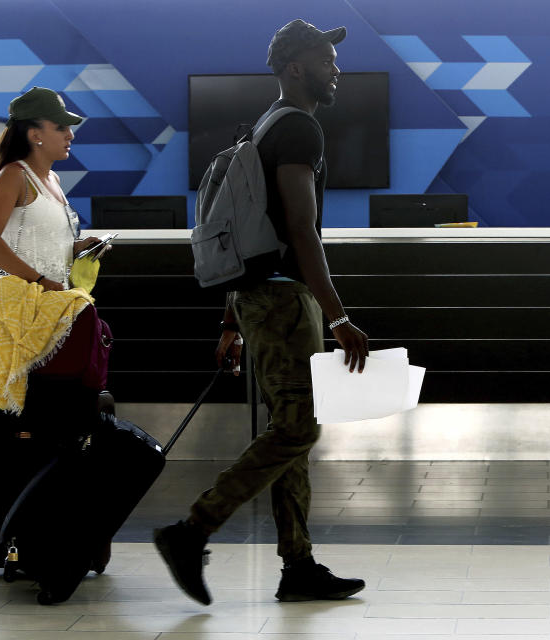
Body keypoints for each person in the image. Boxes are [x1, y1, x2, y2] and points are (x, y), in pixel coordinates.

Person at [153, 19, 369, 605]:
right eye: (326, 59)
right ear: (295, 68)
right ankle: (192, 528)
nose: (336, 69)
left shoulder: (264, 127)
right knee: (299, 426)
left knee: (289, 428)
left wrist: (230, 320)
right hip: (282, 303)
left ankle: (297, 566)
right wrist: (339, 314)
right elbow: (300, 230)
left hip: (258, 298)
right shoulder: (298, 129)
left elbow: (248, 228)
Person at [0, 86, 106, 546]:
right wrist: (39, 282)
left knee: (35, 420)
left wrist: (78, 249)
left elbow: (43, 243)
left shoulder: (52, 181)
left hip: (45, 316)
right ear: (34, 133)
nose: (70, 134)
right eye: (61, 126)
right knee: (29, 417)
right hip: (12, 316)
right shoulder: (15, 175)